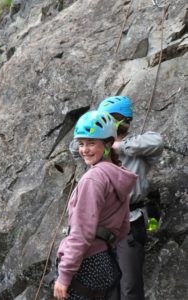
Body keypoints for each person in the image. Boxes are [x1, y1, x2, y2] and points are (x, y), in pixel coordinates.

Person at [69, 96, 164, 300]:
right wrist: (100, 138)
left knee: (129, 284)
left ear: (121, 120)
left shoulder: (137, 147)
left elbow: (157, 142)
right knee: (108, 286)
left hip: (130, 221)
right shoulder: (98, 148)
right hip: (101, 228)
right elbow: (75, 147)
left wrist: (117, 146)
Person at [54, 110, 137, 300]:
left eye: (91, 143)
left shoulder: (93, 179)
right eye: (81, 144)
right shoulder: (117, 175)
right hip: (105, 262)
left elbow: (81, 232)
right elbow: (124, 225)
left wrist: (65, 275)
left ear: (108, 144)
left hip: (86, 262)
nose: (84, 150)